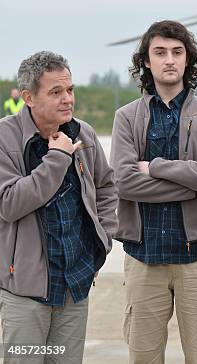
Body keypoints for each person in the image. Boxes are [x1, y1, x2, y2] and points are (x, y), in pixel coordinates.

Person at [110, 20, 197, 364]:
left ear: (187, 60)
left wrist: (158, 166)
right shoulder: (126, 117)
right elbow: (125, 182)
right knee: (143, 356)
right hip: (143, 254)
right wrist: (192, 185)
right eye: (160, 52)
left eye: (177, 52)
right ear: (146, 61)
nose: (169, 60)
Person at [0, 51, 117, 364]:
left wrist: (102, 240)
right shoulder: (4, 138)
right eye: (55, 92)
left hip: (74, 286)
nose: (67, 99)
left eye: (70, 90)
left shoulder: (84, 134)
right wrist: (58, 158)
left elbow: (106, 187)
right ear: (28, 97)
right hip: (25, 294)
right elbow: (9, 204)